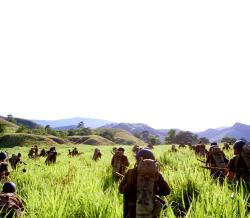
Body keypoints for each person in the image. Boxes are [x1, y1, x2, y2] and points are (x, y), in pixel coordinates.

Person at [119, 148, 171, 218]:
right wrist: (154, 192)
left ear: (138, 159)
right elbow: (167, 191)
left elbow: (121, 190)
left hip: (131, 210)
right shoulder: (156, 174)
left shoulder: (130, 172)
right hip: (150, 208)